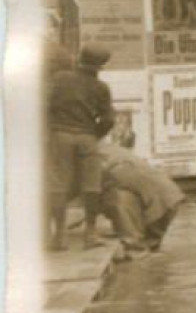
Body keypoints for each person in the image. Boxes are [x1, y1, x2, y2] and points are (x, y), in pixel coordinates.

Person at [48, 46, 114, 251]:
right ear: (100, 66)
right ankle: (90, 235)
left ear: (79, 59)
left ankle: (59, 236)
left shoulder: (59, 78)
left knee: (58, 185)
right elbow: (108, 120)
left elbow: (45, 105)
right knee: (91, 185)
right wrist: (93, 134)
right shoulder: (101, 87)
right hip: (87, 136)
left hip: (61, 135)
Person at [98, 143, 186, 262]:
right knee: (151, 247)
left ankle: (137, 257)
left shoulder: (98, 157)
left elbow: (95, 191)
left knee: (136, 253)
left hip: (154, 201)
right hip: (171, 197)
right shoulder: (114, 150)